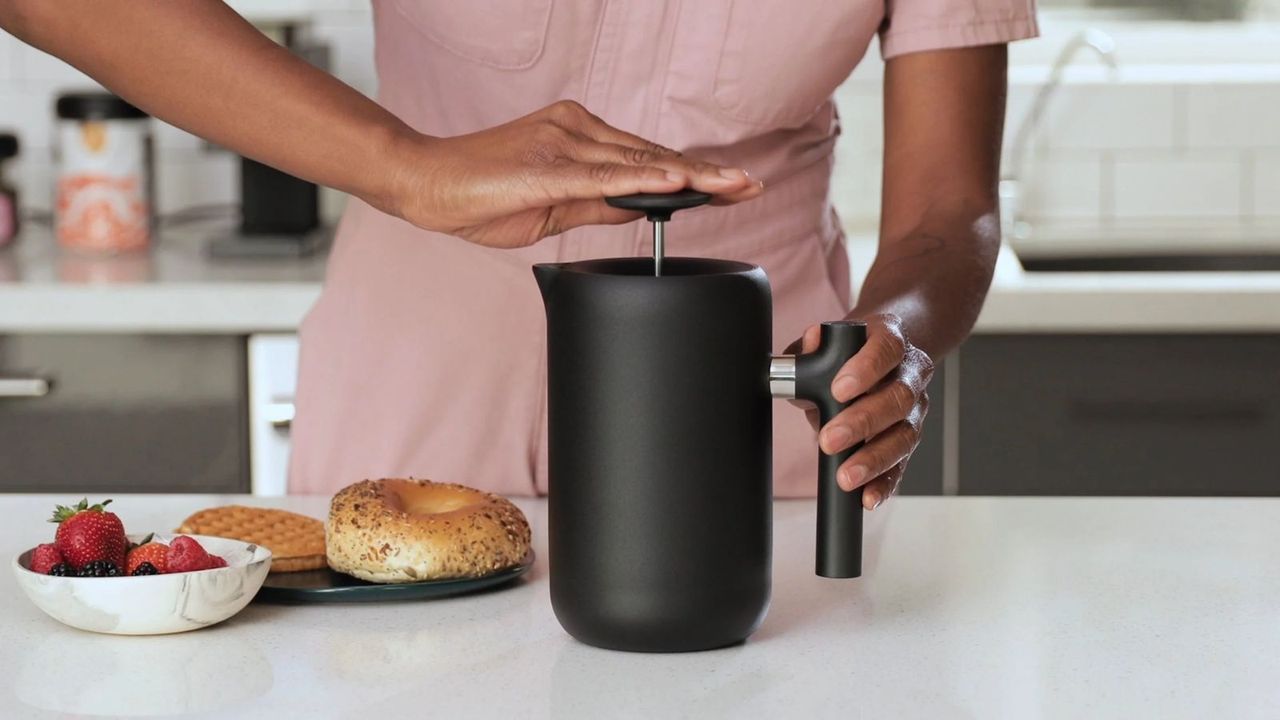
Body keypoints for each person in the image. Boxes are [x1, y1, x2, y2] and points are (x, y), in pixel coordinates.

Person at [1, 1, 1037, 508]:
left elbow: (947, 206)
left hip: (745, 400)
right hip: (417, 378)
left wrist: (894, 338)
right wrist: (403, 166)